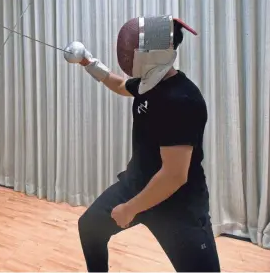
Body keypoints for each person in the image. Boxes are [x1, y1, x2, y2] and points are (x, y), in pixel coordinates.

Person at [63, 15, 221, 272]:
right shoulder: (150, 82)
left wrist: (129, 209)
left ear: (153, 53)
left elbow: (173, 176)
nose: (126, 52)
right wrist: (87, 62)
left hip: (177, 203)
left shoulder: (182, 99)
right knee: (90, 227)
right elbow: (120, 84)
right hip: (138, 184)